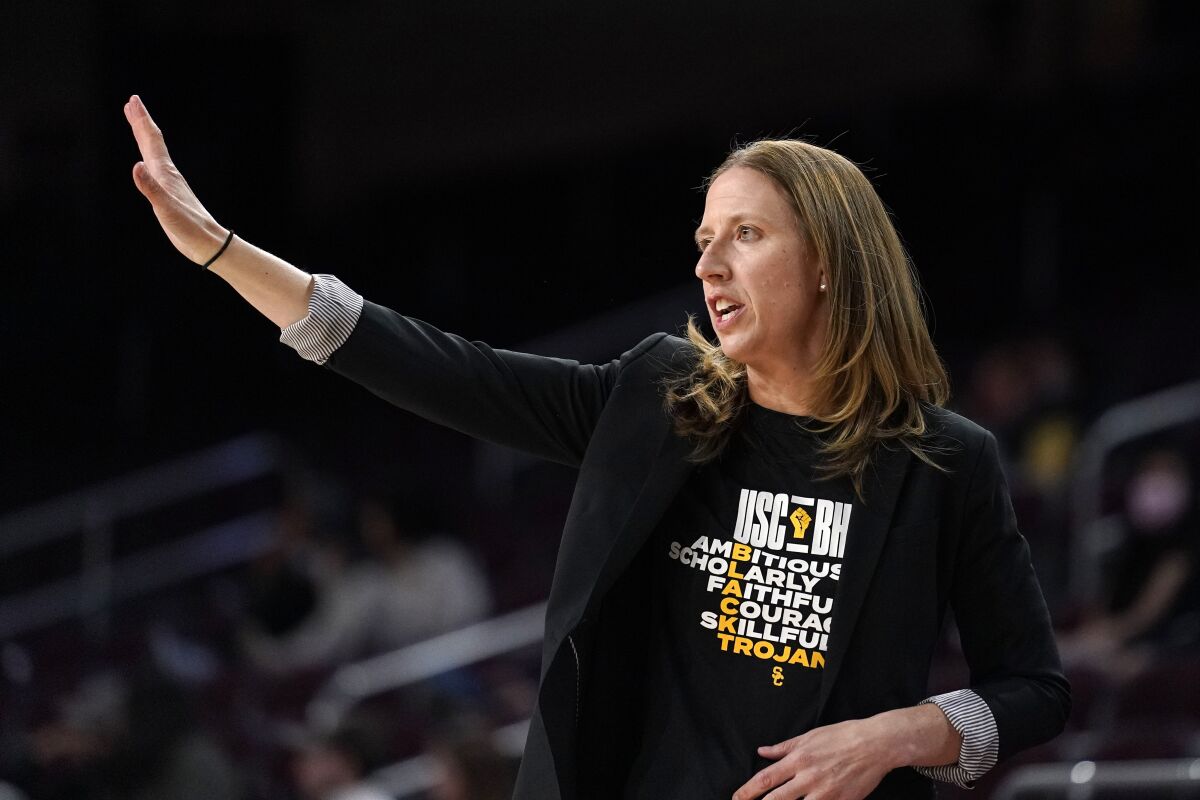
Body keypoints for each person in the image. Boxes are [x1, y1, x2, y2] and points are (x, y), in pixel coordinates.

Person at [124, 94, 1070, 799]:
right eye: (704, 239)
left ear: (828, 262)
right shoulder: (654, 399)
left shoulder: (948, 461)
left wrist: (901, 735)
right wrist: (220, 248)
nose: (708, 264)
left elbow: (1034, 687)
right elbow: (438, 367)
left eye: (746, 234)